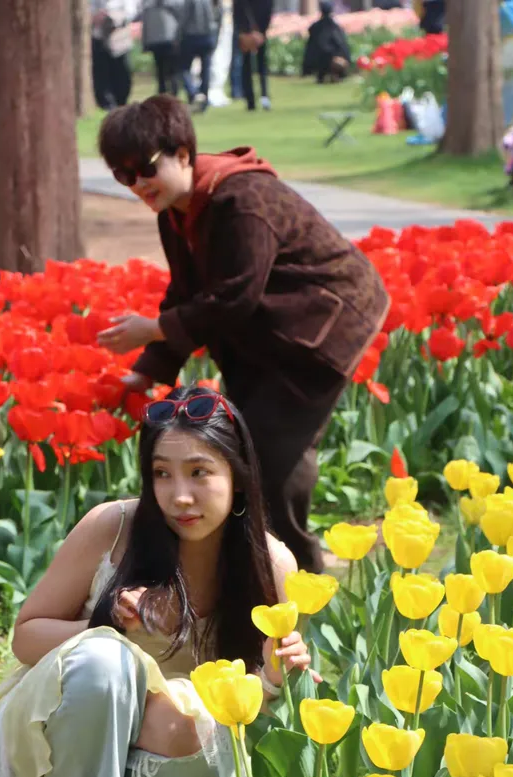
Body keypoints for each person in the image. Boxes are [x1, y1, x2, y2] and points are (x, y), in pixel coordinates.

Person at [0, 386, 311, 777]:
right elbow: (26, 635)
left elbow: (257, 708)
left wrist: (281, 675)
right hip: (79, 714)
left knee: (193, 714)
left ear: (238, 476)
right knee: (106, 659)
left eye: (199, 472)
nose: (179, 496)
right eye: (162, 473)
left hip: (174, 754)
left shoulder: (271, 565)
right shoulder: (113, 528)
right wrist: (112, 625)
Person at [96, 96, 390, 574]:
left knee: (269, 460)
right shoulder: (175, 210)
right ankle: (259, 577)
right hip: (266, 338)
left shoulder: (243, 199)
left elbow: (235, 297)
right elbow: (187, 290)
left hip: (321, 331)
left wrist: (153, 329)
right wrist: (148, 370)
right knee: (245, 451)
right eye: (122, 176)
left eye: (145, 168)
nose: (138, 184)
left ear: (183, 155)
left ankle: (299, 583)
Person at [90, 0, 135, 110]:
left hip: (119, 40)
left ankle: (121, 103)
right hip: (99, 40)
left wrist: (114, 17)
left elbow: (132, 12)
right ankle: (107, 105)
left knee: (122, 75)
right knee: (101, 76)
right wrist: (95, 17)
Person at [179, 0, 220, 109]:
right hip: (207, 36)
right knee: (206, 70)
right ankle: (204, 96)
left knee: (184, 68)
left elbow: (184, 18)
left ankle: (193, 93)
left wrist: (178, 34)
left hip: (191, 36)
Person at [233, 0, 272, 111]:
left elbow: (238, 12)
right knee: (261, 65)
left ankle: (251, 100)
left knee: (247, 66)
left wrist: (244, 30)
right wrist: (262, 31)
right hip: (258, 31)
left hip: (248, 31)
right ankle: (263, 96)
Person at [302, 0, 351, 85]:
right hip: (331, 60)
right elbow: (342, 46)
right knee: (336, 60)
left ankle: (323, 76)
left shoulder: (315, 27)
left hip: (318, 61)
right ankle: (335, 75)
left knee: (323, 57)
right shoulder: (335, 27)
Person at [141, 0, 183, 97]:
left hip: (169, 41)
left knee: (171, 71)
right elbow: (145, 25)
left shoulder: (172, 5)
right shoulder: (148, 6)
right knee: (161, 72)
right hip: (157, 42)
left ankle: (173, 94)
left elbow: (181, 20)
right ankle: (163, 95)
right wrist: (145, 42)